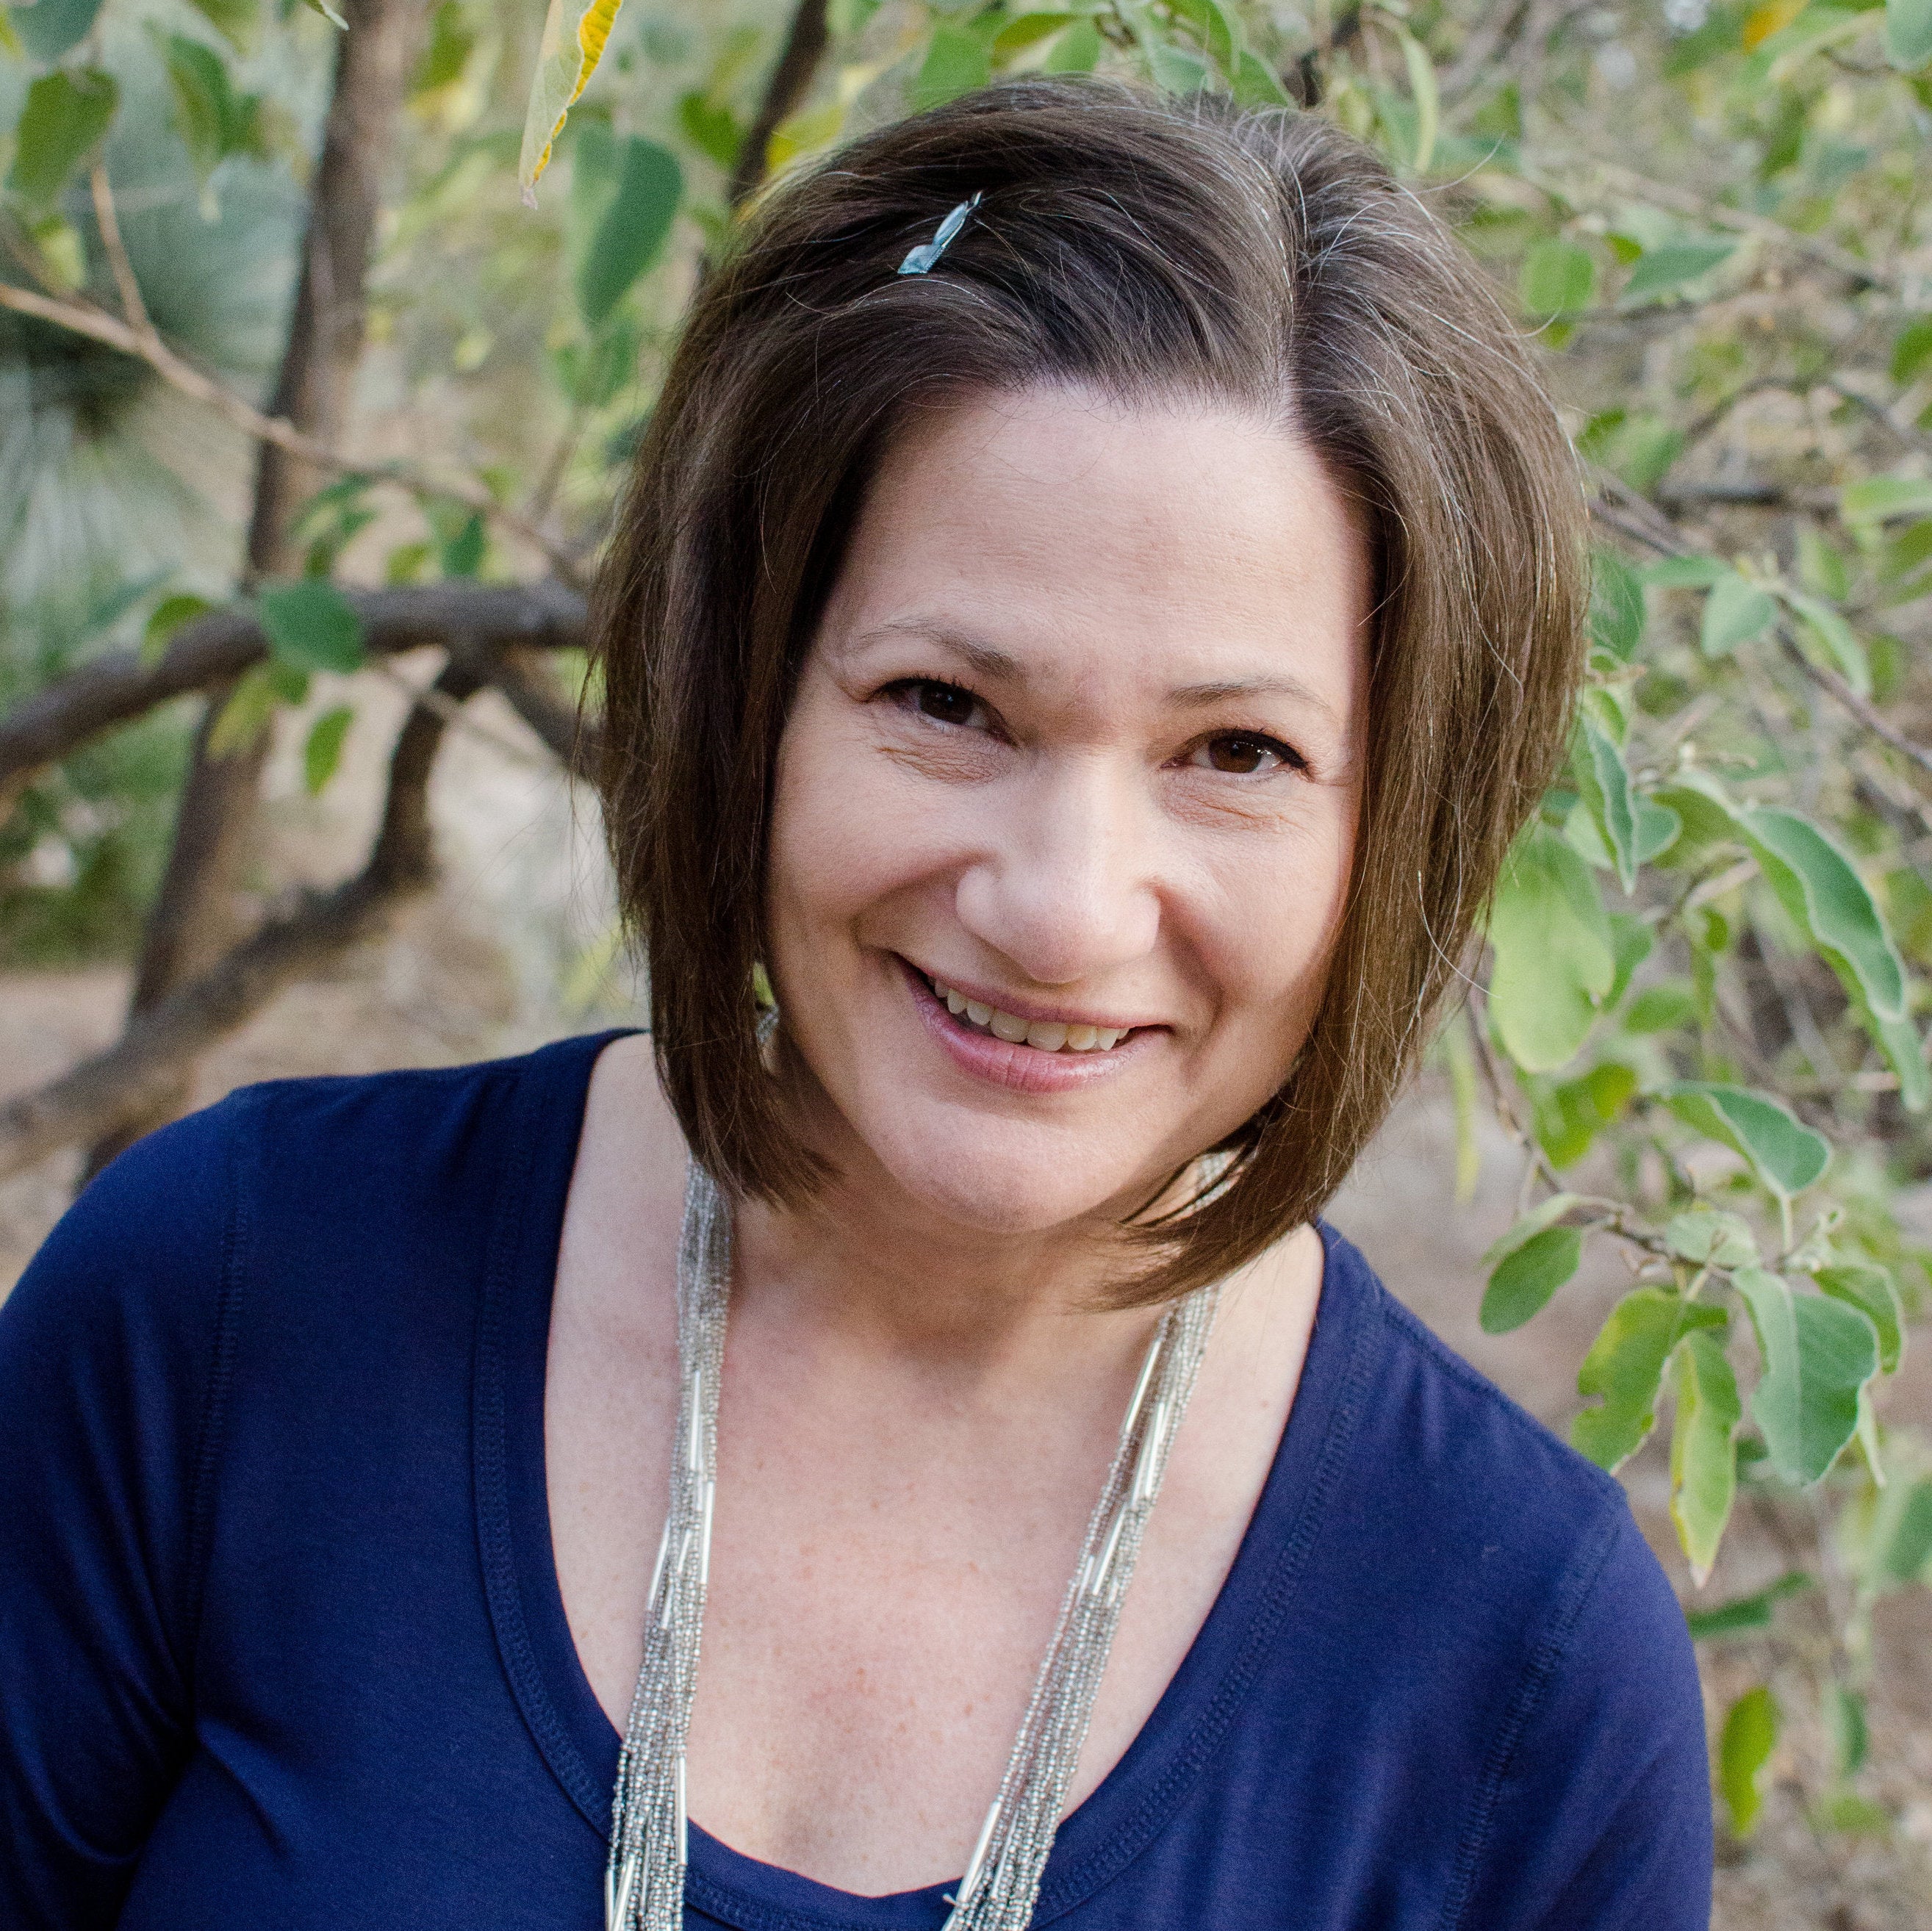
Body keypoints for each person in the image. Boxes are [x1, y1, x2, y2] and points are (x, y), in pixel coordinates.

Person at [0, 78, 1711, 1931]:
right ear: (749, 696)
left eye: (1237, 751)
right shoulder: (232, 1302)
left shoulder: (1523, 1675)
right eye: (946, 705)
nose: (1059, 912)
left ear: (1401, 837)